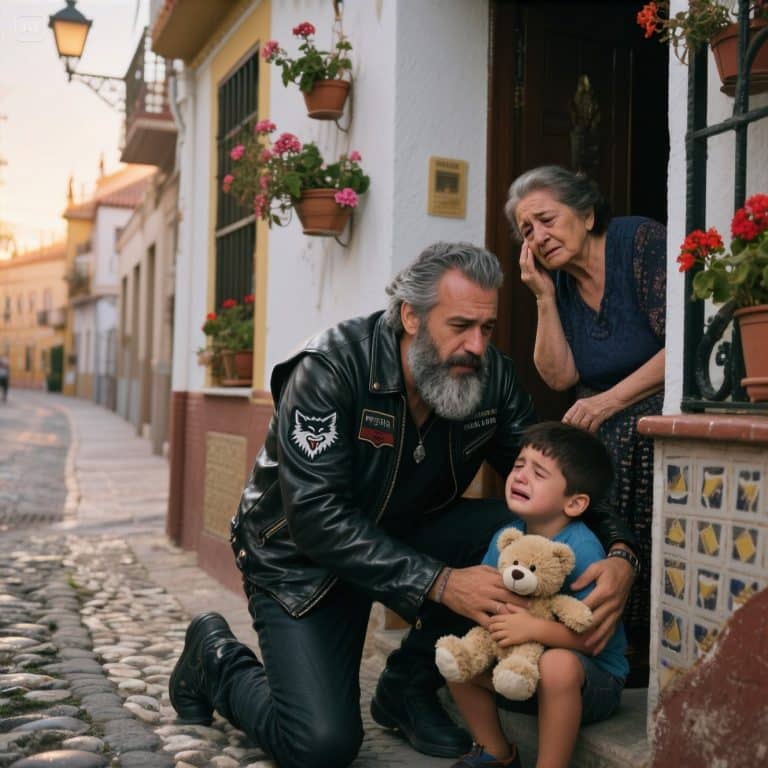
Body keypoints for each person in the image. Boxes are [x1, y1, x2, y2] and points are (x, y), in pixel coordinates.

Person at [169, 242, 638, 768]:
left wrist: (621, 552)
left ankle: (407, 687)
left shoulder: (492, 379)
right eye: (460, 325)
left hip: (407, 535)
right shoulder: (330, 369)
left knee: (525, 525)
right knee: (319, 745)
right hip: (303, 560)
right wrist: (440, 583)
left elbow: (560, 482)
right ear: (411, 316)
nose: (476, 346)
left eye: (486, 328)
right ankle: (215, 661)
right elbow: (315, 516)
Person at [505, 165, 665, 685]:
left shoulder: (638, 242)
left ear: (588, 213)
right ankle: (583, 611)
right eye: (528, 231)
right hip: (605, 411)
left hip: (656, 400)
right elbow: (560, 376)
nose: (539, 237)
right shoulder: (562, 287)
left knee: (618, 434)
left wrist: (610, 401)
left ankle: (637, 632)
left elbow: (685, 342)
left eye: (546, 220)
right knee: (566, 454)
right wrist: (543, 298)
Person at [445, 422, 628, 768]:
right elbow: (488, 598)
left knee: (556, 664)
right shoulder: (507, 537)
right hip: (519, 673)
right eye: (518, 465)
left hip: (590, 683)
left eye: (539, 472)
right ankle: (495, 753)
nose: (521, 476)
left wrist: (533, 629)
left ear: (574, 503)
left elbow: (593, 639)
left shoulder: (582, 549)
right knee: (458, 655)